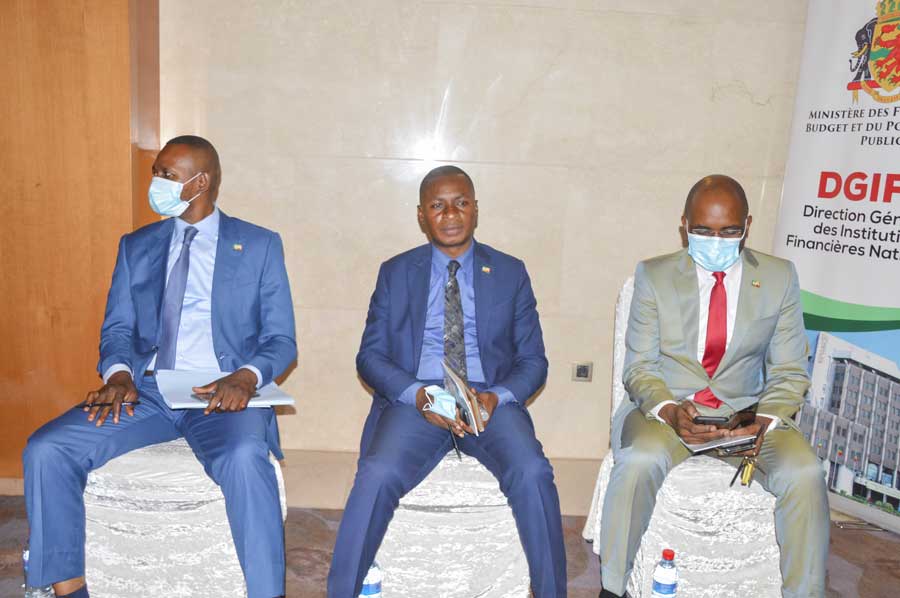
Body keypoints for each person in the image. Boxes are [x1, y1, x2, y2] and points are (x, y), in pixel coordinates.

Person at [22, 135, 296, 598]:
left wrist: (245, 377)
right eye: (156, 172)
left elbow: (281, 340)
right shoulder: (137, 245)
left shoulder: (258, 245)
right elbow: (117, 329)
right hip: (146, 391)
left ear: (200, 182)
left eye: (167, 175)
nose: (156, 182)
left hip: (220, 392)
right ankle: (69, 588)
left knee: (245, 459)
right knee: (47, 448)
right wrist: (119, 375)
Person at [327, 165, 567, 597]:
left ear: (476, 209)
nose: (451, 214)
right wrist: (418, 394)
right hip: (417, 399)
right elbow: (371, 356)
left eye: (461, 203)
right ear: (422, 215)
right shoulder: (396, 272)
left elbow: (533, 361)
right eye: (438, 205)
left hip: (487, 400)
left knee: (533, 472)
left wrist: (496, 397)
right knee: (377, 473)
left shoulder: (510, 272)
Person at [597, 175, 829, 598]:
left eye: (729, 231)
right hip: (669, 411)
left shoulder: (779, 277)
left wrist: (762, 419)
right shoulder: (654, 275)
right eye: (703, 231)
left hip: (747, 415)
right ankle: (613, 588)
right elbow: (641, 367)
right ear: (684, 225)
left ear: (747, 226)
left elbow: (790, 369)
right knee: (639, 461)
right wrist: (670, 410)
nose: (715, 241)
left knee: (805, 471)